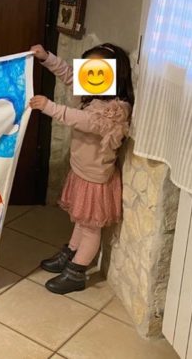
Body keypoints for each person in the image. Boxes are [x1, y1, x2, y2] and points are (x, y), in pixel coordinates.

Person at [29, 43, 134, 294]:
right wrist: (46, 58)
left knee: (89, 227)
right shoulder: (92, 92)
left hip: (95, 179)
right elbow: (68, 74)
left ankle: (77, 271)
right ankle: (71, 252)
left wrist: (50, 107)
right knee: (80, 219)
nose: (90, 77)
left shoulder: (116, 110)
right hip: (81, 172)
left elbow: (88, 122)